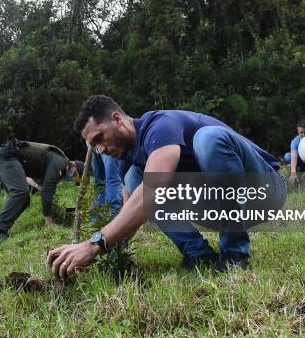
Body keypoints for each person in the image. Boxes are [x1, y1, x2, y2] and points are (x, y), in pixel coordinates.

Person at [46, 95, 286, 277]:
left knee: (208, 139)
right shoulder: (129, 162)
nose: (100, 150)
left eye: (99, 139)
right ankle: (199, 255)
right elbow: (129, 217)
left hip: (264, 193)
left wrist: (94, 244)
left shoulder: (160, 125)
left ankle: (234, 255)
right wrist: (92, 258)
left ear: (117, 119)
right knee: (134, 180)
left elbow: (154, 188)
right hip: (220, 208)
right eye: (93, 146)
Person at [0, 139, 83, 239]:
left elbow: (43, 188)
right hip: (6, 157)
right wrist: (49, 221)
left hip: (4, 158)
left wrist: (65, 210)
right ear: (73, 165)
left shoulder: (59, 165)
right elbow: (47, 191)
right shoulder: (60, 162)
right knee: (20, 193)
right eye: (75, 174)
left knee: (24, 199)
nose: (73, 177)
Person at [90, 148, 123, 218]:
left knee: (104, 183)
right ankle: (111, 218)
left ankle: (108, 219)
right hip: (100, 143)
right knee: (111, 181)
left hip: (96, 143)